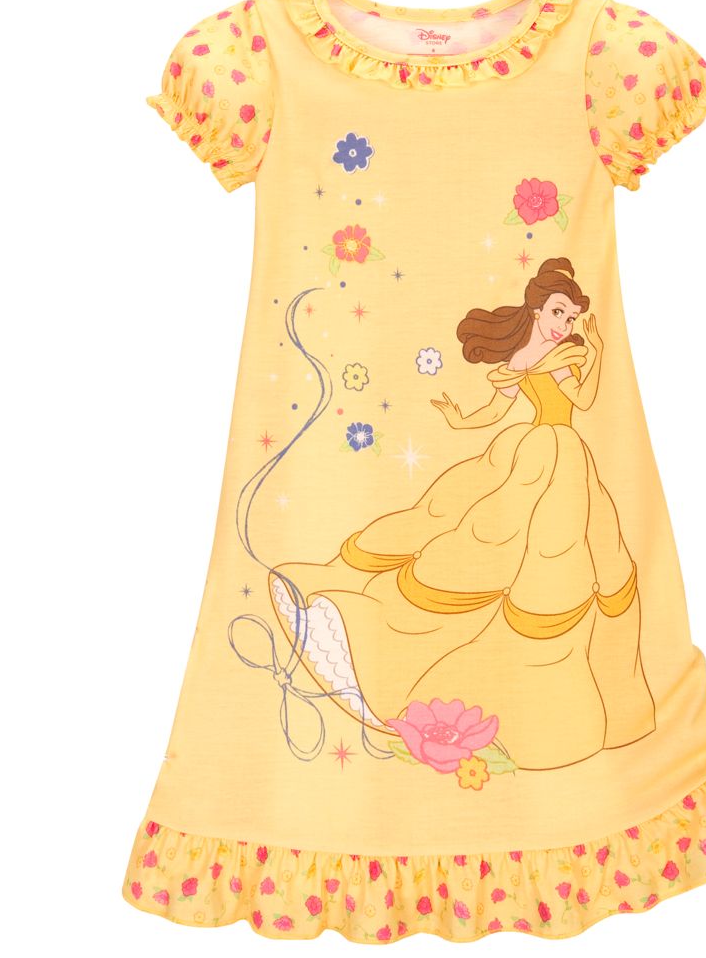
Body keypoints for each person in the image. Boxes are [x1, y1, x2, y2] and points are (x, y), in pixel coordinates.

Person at [271, 257, 655, 770]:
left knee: (571, 554)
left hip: (562, 454)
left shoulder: (564, 357)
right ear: (536, 310)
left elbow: (582, 401)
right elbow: (497, 410)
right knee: (467, 526)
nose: (564, 324)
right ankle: (380, 637)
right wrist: (460, 419)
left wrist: (599, 352)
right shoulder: (521, 359)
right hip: (528, 449)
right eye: (557, 312)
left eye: (571, 316)